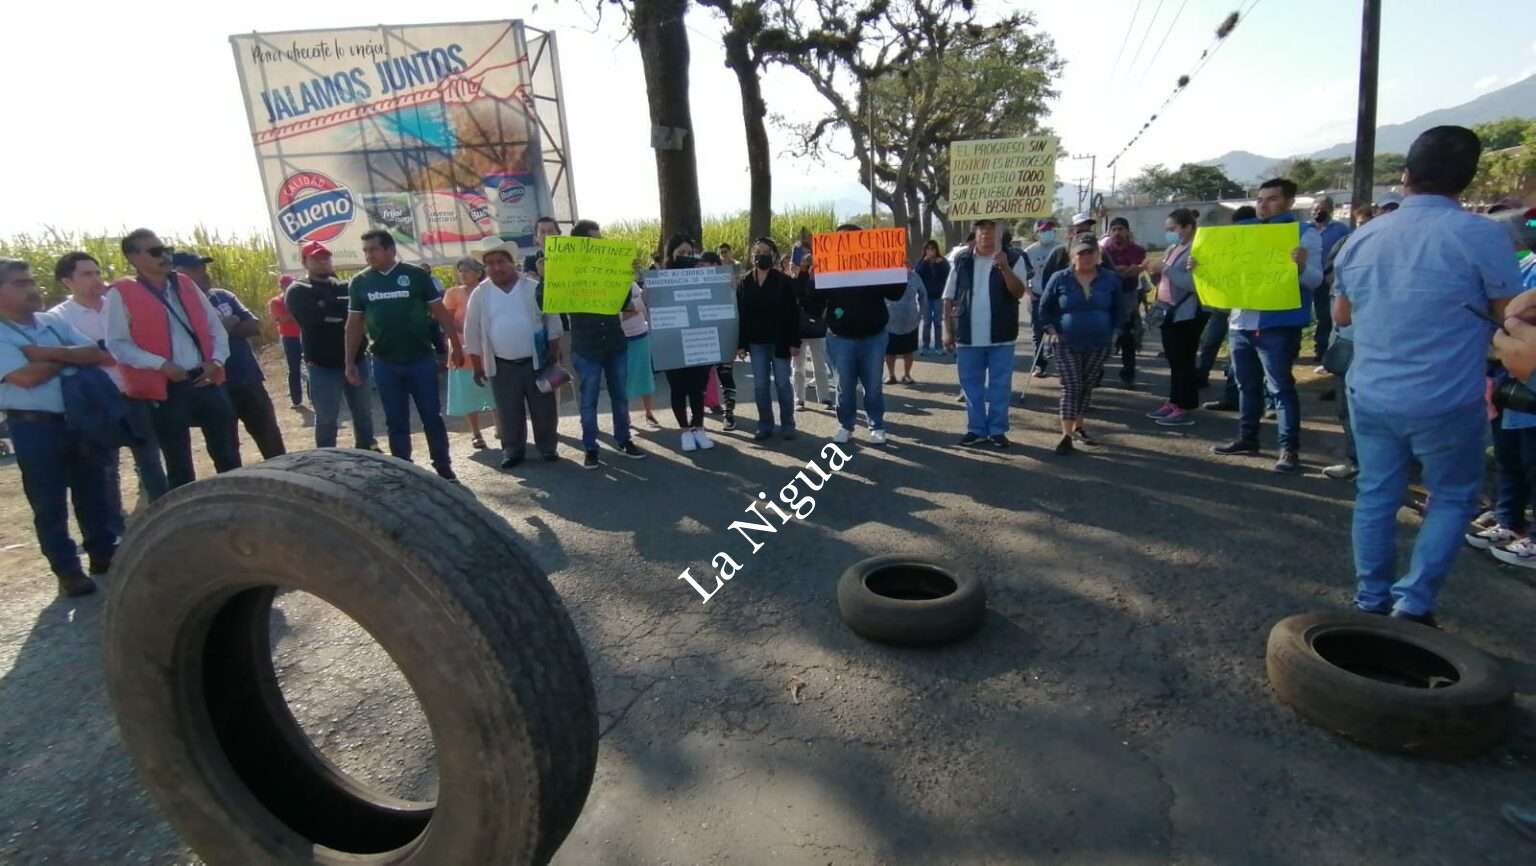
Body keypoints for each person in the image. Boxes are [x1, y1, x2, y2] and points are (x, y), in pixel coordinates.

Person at [1335, 125, 1524, 627]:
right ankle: (1414, 604)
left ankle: (1370, 598)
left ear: (1405, 175)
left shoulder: (1364, 235)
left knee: (1376, 493)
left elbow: (1341, 316)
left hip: (1370, 390)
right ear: (1465, 179)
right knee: (1455, 496)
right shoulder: (1482, 234)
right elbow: (1511, 317)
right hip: (1448, 397)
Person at [1, 259, 119, 597]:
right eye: (20, 283)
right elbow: (26, 378)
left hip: (79, 420)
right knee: (49, 501)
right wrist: (67, 356)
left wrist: (43, 353)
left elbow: (96, 353)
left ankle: (102, 553)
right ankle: (67, 569)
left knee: (93, 491)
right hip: (34, 427)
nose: (31, 288)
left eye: (31, 281)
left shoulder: (50, 322)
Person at [1202, 179, 1322, 473]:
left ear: (1289, 202)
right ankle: (1248, 438)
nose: (1263, 205)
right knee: (1246, 385)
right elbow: (1227, 274)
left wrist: (1302, 266)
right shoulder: (1243, 234)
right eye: (1260, 199)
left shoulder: (1304, 234)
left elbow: (1316, 281)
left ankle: (1289, 449)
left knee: (1280, 388)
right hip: (1241, 322)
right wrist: (1202, 267)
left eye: (1272, 199)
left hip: (1277, 325)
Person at [105, 228, 240, 490]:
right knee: (179, 465)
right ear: (133, 258)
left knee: (228, 454)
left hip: (206, 378)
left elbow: (215, 328)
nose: (164, 256)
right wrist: (161, 365)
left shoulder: (185, 283)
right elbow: (117, 344)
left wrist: (217, 361)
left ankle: (236, 507)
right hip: (167, 387)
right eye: (155, 252)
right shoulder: (120, 293)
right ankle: (184, 523)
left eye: (165, 249)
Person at [50, 251, 168, 517]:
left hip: (134, 393)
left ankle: (161, 513)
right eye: (86, 274)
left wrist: (105, 353)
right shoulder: (59, 318)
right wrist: (107, 354)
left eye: (97, 272)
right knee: (106, 465)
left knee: (149, 459)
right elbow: (67, 357)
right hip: (97, 401)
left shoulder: (119, 305)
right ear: (67, 281)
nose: (95, 279)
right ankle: (116, 522)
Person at [344, 230, 464, 482]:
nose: (368, 255)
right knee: (395, 420)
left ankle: (443, 467)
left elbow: (440, 312)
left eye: (373, 249)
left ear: (390, 250)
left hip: (420, 359)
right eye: (365, 250)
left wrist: (456, 345)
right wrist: (349, 361)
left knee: (431, 415)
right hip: (384, 362)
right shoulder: (360, 282)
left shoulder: (415, 276)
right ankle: (403, 469)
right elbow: (354, 323)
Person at [176, 251, 286, 460]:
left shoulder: (222, 295)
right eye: (196, 269)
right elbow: (192, 342)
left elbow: (254, 326)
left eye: (203, 267)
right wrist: (227, 324)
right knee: (225, 447)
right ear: (178, 274)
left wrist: (217, 332)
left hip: (247, 378)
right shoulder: (177, 308)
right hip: (214, 385)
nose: (204, 273)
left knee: (270, 438)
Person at [464, 238, 563, 468]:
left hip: (537, 360)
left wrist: (554, 353)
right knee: (508, 410)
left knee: (544, 409)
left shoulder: (533, 286)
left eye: (501, 261)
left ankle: (548, 448)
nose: (496, 267)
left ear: (512, 262)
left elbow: (553, 319)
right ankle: (513, 450)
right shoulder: (481, 294)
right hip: (501, 364)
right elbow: (472, 331)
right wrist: (477, 365)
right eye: (490, 263)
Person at [943, 218, 1031, 448]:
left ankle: (997, 430)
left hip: (1001, 334)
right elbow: (949, 296)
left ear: (1000, 232)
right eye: (982, 229)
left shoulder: (1013, 258)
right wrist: (947, 330)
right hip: (967, 334)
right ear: (975, 232)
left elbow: (1019, 292)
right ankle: (976, 429)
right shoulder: (961, 259)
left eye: (991, 229)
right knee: (971, 385)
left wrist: (1004, 268)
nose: (986, 234)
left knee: (1000, 385)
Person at [566, 220, 646, 469]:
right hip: (586, 346)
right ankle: (591, 447)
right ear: (581, 244)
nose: (600, 244)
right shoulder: (566, 272)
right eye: (594, 240)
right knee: (588, 400)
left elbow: (624, 304)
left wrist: (627, 276)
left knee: (620, 397)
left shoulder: (609, 271)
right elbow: (546, 301)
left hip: (613, 342)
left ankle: (624, 440)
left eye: (601, 240)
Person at [286, 241, 376, 450]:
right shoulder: (298, 290)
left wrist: (331, 311)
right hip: (322, 366)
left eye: (326, 257)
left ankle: (368, 452)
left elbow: (360, 317)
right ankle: (327, 459)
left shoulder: (346, 285)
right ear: (305, 262)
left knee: (363, 413)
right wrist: (344, 315)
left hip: (357, 361)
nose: (323, 261)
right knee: (327, 418)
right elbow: (313, 320)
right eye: (316, 258)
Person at [1038, 235, 1123, 455]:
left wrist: (1115, 333)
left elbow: (1119, 310)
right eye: (1081, 253)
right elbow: (1044, 309)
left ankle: (1080, 426)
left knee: (1086, 384)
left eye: (1090, 253)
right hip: (1065, 341)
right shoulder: (1060, 278)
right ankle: (1066, 435)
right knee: (1072, 385)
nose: (1085, 257)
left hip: (1099, 342)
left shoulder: (1110, 279)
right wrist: (1051, 330)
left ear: (1098, 255)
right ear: (1072, 256)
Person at [825, 224, 907, 444]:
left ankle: (876, 425)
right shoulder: (829, 270)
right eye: (842, 240)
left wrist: (900, 272)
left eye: (853, 239)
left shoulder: (874, 268)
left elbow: (895, 293)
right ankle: (846, 425)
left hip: (873, 337)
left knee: (873, 386)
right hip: (841, 339)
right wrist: (811, 278)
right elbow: (814, 303)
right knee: (844, 387)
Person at [1144, 209, 1207, 426]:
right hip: (1168, 311)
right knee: (1174, 360)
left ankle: (1185, 406)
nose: (1169, 234)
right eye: (1167, 230)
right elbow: (1163, 280)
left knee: (1184, 362)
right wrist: (1154, 272)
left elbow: (1192, 284)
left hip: (1186, 314)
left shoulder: (1197, 250)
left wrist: (1166, 269)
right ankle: (1174, 401)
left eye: (1173, 229)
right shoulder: (1173, 248)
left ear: (1187, 227)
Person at [736, 237, 801, 441]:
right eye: (757, 251)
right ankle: (765, 424)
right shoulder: (745, 282)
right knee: (760, 385)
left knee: (782, 383)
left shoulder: (784, 281)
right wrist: (741, 344)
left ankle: (788, 424)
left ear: (773, 255)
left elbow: (793, 314)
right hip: (757, 343)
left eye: (765, 251)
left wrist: (794, 342)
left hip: (781, 341)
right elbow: (742, 314)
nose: (760, 255)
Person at [660, 249, 718, 453]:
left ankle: (699, 428)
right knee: (678, 389)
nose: (685, 255)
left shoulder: (704, 279)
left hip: (699, 341)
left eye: (688, 251)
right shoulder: (660, 279)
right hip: (672, 342)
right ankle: (685, 431)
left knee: (697, 389)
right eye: (680, 251)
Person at [441, 256, 499, 450]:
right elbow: (446, 321)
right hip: (462, 349)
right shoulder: (453, 293)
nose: (463, 274)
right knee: (467, 393)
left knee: (495, 390)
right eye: (460, 270)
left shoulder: (488, 291)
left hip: (489, 348)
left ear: (478, 272)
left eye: (467, 270)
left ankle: (500, 427)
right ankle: (476, 433)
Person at [627, 239, 675, 431]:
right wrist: (635, 306)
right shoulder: (609, 288)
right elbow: (626, 310)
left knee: (645, 377)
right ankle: (625, 417)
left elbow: (643, 305)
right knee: (622, 379)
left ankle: (648, 412)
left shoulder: (632, 285)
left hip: (640, 335)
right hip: (620, 340)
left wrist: (634, 306)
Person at [1100, 217, 1148, 388]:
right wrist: (1124, 270)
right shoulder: (1103, 252)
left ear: (1127, 231)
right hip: (1108, 297)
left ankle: (1128, 375)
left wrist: (1121, 271)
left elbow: (1138, 269)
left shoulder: (1138, 250)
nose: (1117, 233)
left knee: (1128, 337)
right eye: (1114, 230)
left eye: (1121, 229)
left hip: (1128, 297)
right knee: (1104, 337)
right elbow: (1106, 272)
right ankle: (1097, 374)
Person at [1310, 196, 1352, 363]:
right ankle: (1317, 349)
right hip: (1309, 278)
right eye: (1314, 209)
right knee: (1318, 316)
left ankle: (1327, 351)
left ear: (1330, 210)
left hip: (1330, 280)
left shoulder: (1341, 230)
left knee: (1328, 316)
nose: (1316, 212)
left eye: (1320, 208)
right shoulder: (1307, 229)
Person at [791, 253, 835, 410]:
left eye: (813, 265)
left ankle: (824, 397)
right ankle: (799, 399)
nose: (811, 268)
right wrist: (802, 274)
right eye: (807, 264)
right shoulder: (798, 282)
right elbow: (799, 294)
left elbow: (832, 305)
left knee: (820, 366)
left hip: (818, 329)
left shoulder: (824, 283)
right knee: (798, 368)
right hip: (799, 330)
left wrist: (831, 321)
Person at [268, 277, 305, 409]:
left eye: (292, 284)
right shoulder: (276, 302)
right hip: (290, 338)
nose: (290, 287)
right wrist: (296, 308)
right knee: (294, 369)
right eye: (287, 285)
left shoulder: (300, 298)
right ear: (282, 286)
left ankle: (315, 398)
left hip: (305, 335)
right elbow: (282, 319)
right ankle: (297, 401)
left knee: (312, 366)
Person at [885, 267, 923, 384]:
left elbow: (923, 294)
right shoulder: (886, 275)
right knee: (890, 351)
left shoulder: (914, 276)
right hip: (890, 319)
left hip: (909, 319)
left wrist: (921, 313)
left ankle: (907, 375)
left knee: (908, 350)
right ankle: (891, 375)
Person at [914, 240, 950, 356]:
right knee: (927, 322)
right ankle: (925, 346)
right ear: (925, 251)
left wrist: (940, 264)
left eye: (933, 249)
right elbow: (917, 274)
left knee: (938, 322)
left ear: (936, 250)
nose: (930, 251)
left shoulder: (942, 261)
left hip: (939, 296)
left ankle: (939, 346)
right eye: (928, 249)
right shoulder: (921, 262)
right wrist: (925, 262)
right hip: (926, 297)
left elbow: (948, 274)